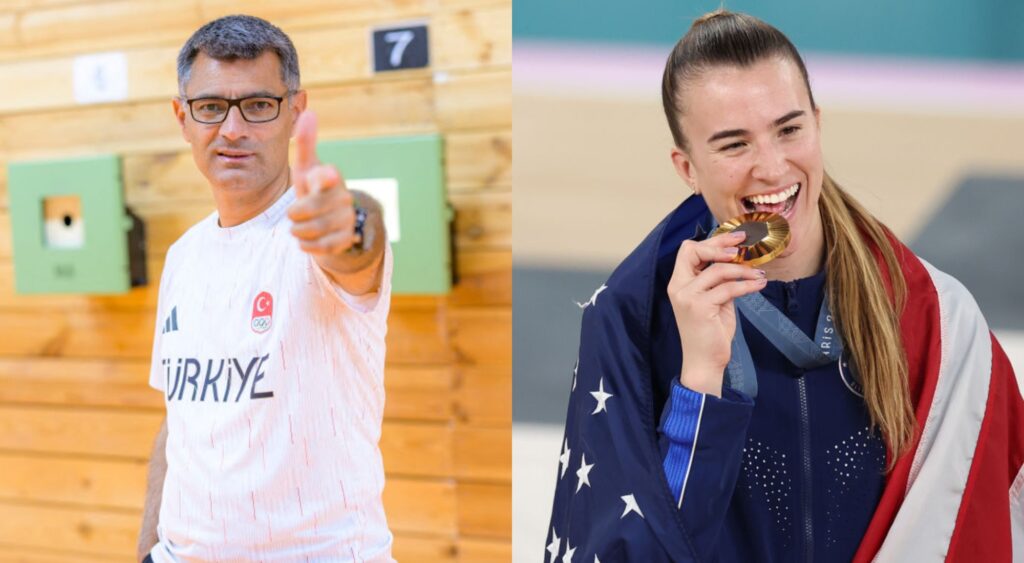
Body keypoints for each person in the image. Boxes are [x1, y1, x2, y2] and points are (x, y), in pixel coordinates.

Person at [546, 10, 1023, 562]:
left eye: (789, 129)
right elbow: (645, 551)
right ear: (688, 168)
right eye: (733, 144)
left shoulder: (934, 320)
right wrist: (699, 382)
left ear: (817, 123)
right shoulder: (633, 323)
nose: (771, 168)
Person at [136, 15, 393, 562]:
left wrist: (347, 222)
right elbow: (180, 418)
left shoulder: (313, 235)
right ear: (183, 118)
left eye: (258, 106)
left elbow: (356, 246)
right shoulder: (183, 256)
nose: (232, 130)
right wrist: (148, 549)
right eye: (211, 108)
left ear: (295, 112)